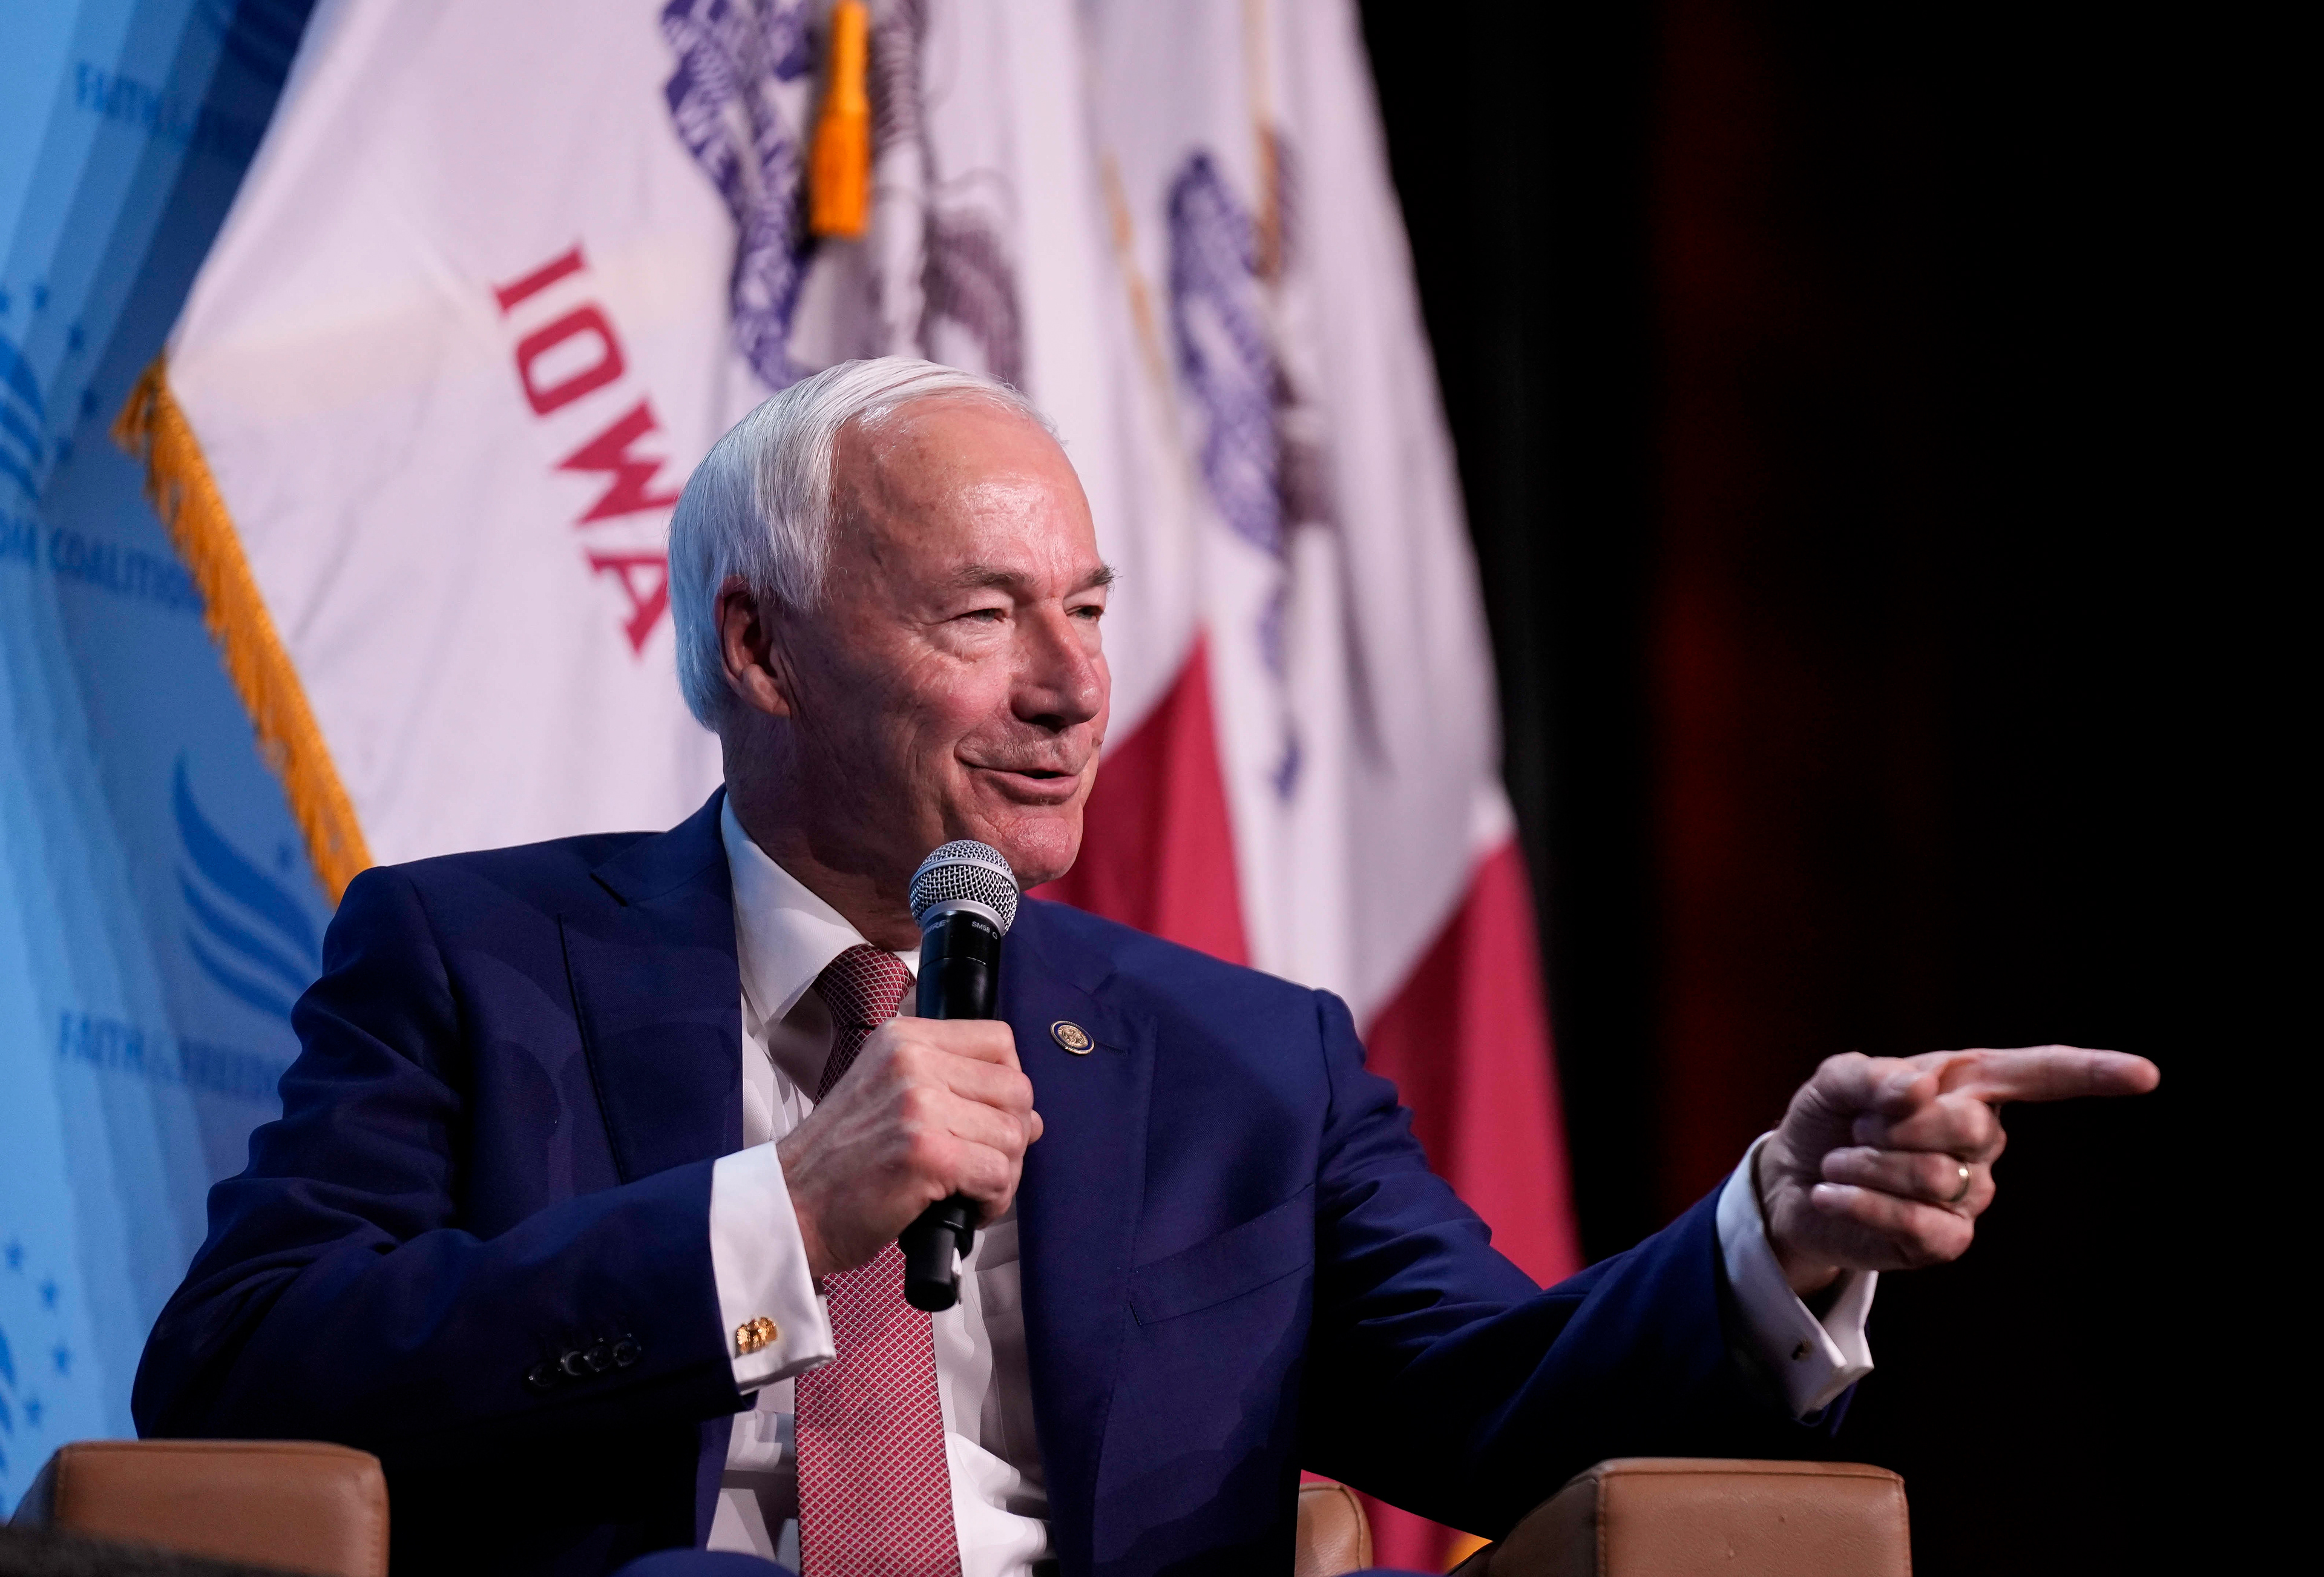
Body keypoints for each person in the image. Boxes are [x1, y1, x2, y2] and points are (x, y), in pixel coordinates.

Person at [132, 358, 2156, 1577]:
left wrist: (1771, 1237)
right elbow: (242, 1373)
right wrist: (781, 1220)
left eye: (1089, 609)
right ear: (760, 651)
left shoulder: (1241, 1064)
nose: (1073, 688)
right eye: (986, 614)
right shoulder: (475, 961)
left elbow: (1502, 1408)